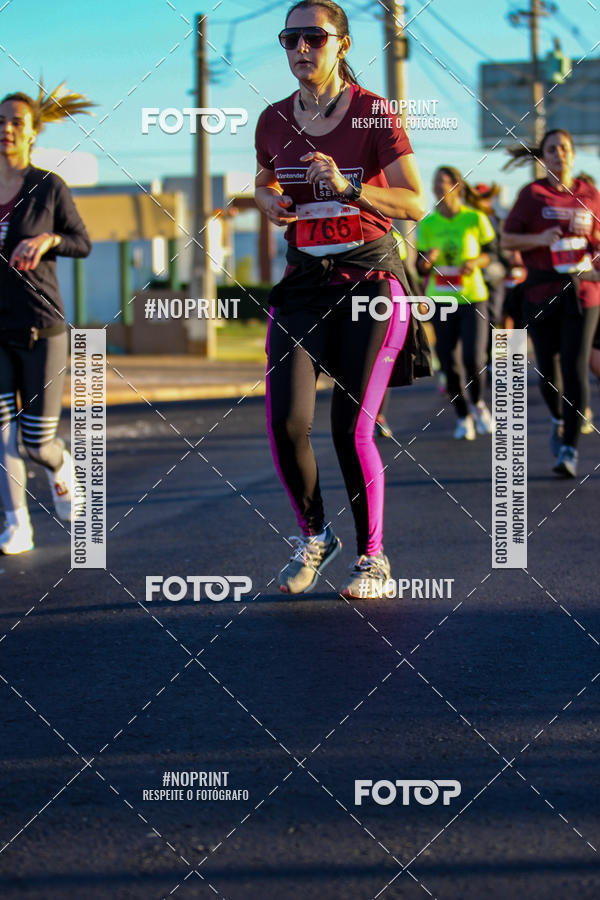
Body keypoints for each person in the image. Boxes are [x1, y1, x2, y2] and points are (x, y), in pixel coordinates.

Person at [254, 0, 429, 598]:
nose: (301, 48)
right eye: (289, 38)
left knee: (350, 427)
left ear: (342, 46)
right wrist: (266, 200)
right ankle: (315, 536)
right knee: (285, 423)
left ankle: (372, 558)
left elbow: (413, 201)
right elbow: (265, 178)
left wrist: (352, 187)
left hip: (369, 282)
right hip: (304, 282)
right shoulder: (274, 118)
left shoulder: (376, 114)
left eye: (314, 37)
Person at [0, 84, 92, 553]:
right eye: (0, 122)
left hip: (42, 326)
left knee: (36, 442)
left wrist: (48, 240)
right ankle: (17, 524)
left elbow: (82, 242)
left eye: (16, 122)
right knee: (1, 437)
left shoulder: (47, 186)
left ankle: (59, 465)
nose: (6, 129)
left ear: (33, 132)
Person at [502, 130, 600, 477]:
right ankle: (559, 418)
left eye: (565, 148)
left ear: (574, 154)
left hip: (583, 294)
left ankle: (570, 449)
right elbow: (507, 238)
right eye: (552, 150)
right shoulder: (531, 195)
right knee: (548, 371)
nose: (559, 154)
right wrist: (539, 238)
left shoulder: (589, 194)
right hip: (540, 293)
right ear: (543, 158)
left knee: (575, 368)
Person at [416, 166, 496, 440]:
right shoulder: (428, 224)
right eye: (435, 183)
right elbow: (419, 267)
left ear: (456, 186)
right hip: (441, 300)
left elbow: (492, 255)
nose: (438, 187)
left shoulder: (474, 218)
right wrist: (428, 259)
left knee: (473, 358)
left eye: (443, 182)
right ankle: (463, 417)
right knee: (448, 363)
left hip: (473, 297)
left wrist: (476, 262)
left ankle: (479, 403)